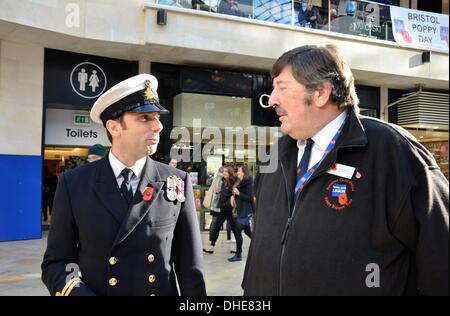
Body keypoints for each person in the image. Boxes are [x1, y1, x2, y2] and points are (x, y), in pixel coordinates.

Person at [243, 45, 449, 296]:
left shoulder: (394, 151)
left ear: (320, 93)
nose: (271, 99)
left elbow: (440, 257)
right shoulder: (275, 155)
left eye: (282, 88)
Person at [41, 74, 206, 296]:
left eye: (157, 117)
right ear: (114, 127)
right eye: (145, 118)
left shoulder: (175, 181)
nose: (158, 126)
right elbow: (57, 264)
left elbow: (190, 269)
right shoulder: (74, 184)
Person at [203, 166, 237, 254]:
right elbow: (225, 192)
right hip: (223, 209)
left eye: (226, 172)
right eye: (223, 172)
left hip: (230, 209)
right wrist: (219, 192)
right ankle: (212, 247)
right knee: (217, 227)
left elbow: (232, 193)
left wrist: (224, 193)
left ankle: (238, 248)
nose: (224, 173)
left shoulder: (234, 181)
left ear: (230, 172)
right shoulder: (223, 181)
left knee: (235, 228)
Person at [228, 165, 253, 262]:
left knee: (237, 231)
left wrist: (238, 194)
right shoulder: (239, 182)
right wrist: (232, 196)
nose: (237, 172)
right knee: (248, 232)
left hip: (245, 211)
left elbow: (250, 198)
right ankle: (260, 244)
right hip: (240, 210)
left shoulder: (248, 183)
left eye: (239, 171)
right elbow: (234, 191)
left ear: (244, 172)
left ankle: (238, 255)